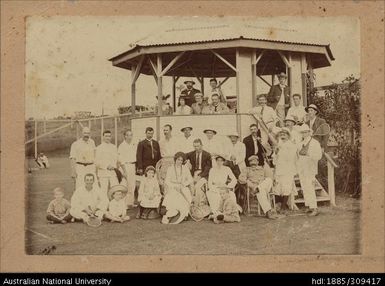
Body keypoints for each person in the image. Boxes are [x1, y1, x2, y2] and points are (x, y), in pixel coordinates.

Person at [297, 124, 323, 216]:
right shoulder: (300, 143)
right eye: (302, 132)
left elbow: (319, 156)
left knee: (310, 187)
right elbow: (298, 156)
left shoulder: (315, 143)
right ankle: (309, 206)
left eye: (305, 132)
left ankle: (315, 208)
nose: (304, 134)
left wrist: (309, 154)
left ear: (309, 132)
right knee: (304, 188)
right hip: (302, 168)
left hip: (310, 169)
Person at [161, 152, 194, 224]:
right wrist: (174, 186)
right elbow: (167, 180)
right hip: (173, 187)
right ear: (175, 159)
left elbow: (190, 179)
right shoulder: (170, 168)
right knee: (173, 195)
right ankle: (173, 213)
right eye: (178, 159)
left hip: (182, 187)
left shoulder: (185, 168)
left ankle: (185, 213)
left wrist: (183, 184)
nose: (179, 162)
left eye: (181, 160)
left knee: (186, 192)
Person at [272, 128, 298, 214]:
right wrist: (275, 153)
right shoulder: (279, 144)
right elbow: (274, 160)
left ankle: (283, 207)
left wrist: (281, 151)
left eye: (284, 134)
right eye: (281, 134)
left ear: (288, 135)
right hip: (279, 169)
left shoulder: (291, 145)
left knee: (286, 187)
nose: (282, 135)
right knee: (278, 187)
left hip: (288, 169)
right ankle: (277, 206)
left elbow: (291, 158)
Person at [95, 130, 119, 201]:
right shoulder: (99, 148)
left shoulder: (114, 147)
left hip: (112, 172)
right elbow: (97, 161)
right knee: (103, 191)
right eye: (106, 136)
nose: (108, 138)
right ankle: (104, 206)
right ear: (103, 137)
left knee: (115, 189)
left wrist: (113, 166)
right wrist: (106, 166)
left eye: (109, 136)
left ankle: (114, 205)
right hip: (103, 173)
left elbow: (116, 159)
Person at [117, 129, 137, 208]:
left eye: (131, 135)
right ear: (124, 136)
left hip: (132, 166)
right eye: (128, 135)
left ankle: (130, 203)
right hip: (125, 166)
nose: (129, 137)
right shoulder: (122, 146)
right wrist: (124, 171)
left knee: (132, 185)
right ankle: (123, 204)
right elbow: (120, 160)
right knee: (124, 185)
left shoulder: (133, 145)